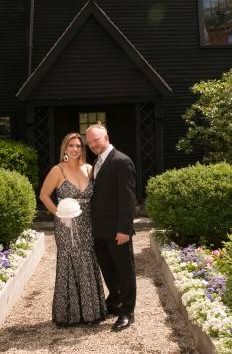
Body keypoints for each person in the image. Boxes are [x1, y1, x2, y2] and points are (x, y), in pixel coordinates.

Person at [39, 132, 107, 326]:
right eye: (71, 146)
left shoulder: (89, 169)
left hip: (87, 222)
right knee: (70, 261)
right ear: (65, 149)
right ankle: (69, 314)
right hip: (66, 225)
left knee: (87, 260)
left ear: (82, 149)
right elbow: (44, 195)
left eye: (78, 146)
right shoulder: (57, 170)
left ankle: (91, 312)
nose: (75, 149)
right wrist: (59, 214)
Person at [85, 124, 137, 331]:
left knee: (125, 270)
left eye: (96, 140)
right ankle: (116, 301)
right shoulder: (97, 162)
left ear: (106, 137)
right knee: (108, 268)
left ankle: (128, 312)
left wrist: (124, 229)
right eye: (89, 142)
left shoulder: (122, 161)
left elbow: (128, 198)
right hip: (99, 230)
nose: (93, 145)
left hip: (118, 230)